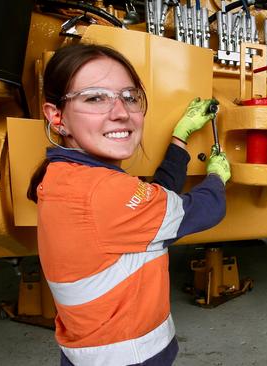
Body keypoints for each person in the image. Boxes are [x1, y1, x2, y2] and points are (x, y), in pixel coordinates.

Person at [27, 43, 231, 366]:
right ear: (57, 117)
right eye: (95, 97)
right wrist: (217, 178)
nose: (120, 112)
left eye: (130, 96)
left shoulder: (62, 177)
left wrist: (179, 139)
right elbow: (205, 209)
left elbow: (147, 214)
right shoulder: (103, 193)